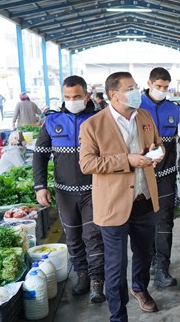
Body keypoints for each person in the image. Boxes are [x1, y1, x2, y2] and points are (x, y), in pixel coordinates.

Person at [79, 71, 164, 321]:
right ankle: (118, 315)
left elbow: (159, 144)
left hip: (144, 199)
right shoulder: (93, 125)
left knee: (144, 254)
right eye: (130, 88)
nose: (136, 91)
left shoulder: (145, 116)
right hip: (114, 204)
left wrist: (155, 153)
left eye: (135, 86)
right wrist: (127, 160)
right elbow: (87, 164)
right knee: (116, 267)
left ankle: (140, 288)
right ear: (114, 95)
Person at [33, 75, 105, 303]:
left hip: (94, 190)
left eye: (76, 96)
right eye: (67, 97)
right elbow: (40, 156)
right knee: (73, 237)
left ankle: (96, 281)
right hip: (64, 193)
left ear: (86, 96)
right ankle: (81, 275)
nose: (72, 100)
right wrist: (40, 186)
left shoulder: (99, 119)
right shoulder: (52, 122)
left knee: (93, 236)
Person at [139, 67, 180, 287]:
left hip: (166, 174)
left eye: (166, 87)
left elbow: (175, 141)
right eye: (158, 87)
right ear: (149, 83)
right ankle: (149, 260)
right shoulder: (136, 107)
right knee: (146, 221)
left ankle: (163, 267)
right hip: (142, 176)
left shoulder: (173, 109)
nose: (162, 91)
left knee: (165, 220)